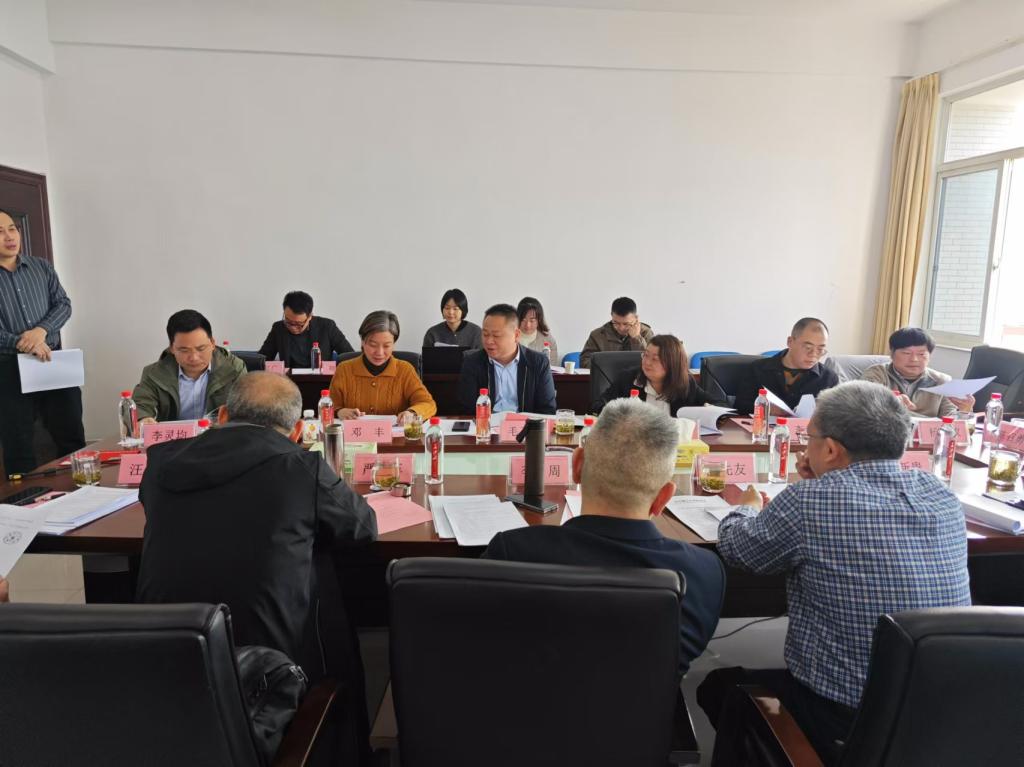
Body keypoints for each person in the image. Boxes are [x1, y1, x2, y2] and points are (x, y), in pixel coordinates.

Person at [698, 381, 971, 765]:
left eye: (809, 438)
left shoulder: (809, 501)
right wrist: (821, 482)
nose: (805, 447)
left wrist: (746, 506)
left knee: (718, 688)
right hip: (939, 713)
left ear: (829, 449)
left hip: (842, 720)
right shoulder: (939, 494)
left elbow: (739, 549)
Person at [137, 372, 378, 679]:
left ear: (223, 416)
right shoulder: (301, 467)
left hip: (162, 654)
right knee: (318, 563)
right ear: (297, 431)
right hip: (268, 670)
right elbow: (362, 526)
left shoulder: (161, 461)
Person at [483, 398, 724, 675]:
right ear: (663, 498)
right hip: (643, 705)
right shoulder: (704, 573)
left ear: (577, 466)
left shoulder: (512, 553)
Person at [0, 209, 85, 475]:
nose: (9, 237)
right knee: (18, 445)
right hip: (8, 368)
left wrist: (41, 331)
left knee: (71, 435)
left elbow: (63, 304)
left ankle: (81, 490)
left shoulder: (41, 267)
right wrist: (25, 342)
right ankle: (25, 498)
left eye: (12, 229)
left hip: (52, 360)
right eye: (0, 232)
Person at [133, 309, 246, 424]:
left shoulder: (234, 369)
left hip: (217, 433)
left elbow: (246, 408)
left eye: (201, 348)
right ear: (172, 348)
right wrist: (143, 418)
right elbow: (140, 405)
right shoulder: (154, 374)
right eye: (184, 350)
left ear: (212, 343)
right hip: (175, 435)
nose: (194, 358)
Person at [329, 310, 436, 423]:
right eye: (373, 345)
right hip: (355, 434)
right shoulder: (344, 369)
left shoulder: (405, 370)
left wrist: (412, 413)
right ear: (362, 342)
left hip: (394, 434)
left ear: (394, 344)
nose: (379, 353)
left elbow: (428, 404)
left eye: (386, 346)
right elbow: (328, 405)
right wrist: (339, 411)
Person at [458, 303, 557, 414]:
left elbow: (547, 410)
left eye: (496, 336)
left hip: (525, 424)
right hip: (487, 423)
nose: (489, 341)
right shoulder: (472, 362)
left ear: (516, 335)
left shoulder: (539, 363)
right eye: (485, 334)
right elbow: (467, 410)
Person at [732, 317, 839, 415]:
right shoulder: (757, 369)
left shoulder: (829, 378)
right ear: (790, 342)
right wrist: (765, 409)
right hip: (760, 428)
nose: (813, 354)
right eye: (807, 347)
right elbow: (740, 407)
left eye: (820, 349)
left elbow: (834, 417)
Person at [862, 326, 975, 417]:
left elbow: (950, 421)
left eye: (921, 354)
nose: (914, 359)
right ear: (892, 353)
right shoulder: (876, 373)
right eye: (906, 353)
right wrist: (889, 401)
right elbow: (864, 406)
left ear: (929, 356)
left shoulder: (942, 381)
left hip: (927, 436)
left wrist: (964, 411)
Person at [593, 334, 718, 415]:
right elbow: (597, 405)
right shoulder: (628, 379)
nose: (647, 362)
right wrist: (620, 413)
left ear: (672, 364)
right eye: (646, 355)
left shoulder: (686, 384)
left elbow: (719, 404)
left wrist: (709, 409)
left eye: (655, 359)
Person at [257, 290, 353, 369]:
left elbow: (350, 357)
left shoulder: (327, 326)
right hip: (288, 382)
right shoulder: (278, 328)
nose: (293, 327)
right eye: (288, 321)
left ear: (310, 316)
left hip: (321, 381)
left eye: (299, 324)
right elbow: (261, 359)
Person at [579, 296, 654, 369]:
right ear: (612, 315)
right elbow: (584, 361)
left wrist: (636, 338)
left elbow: (652, 362)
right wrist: (608, 366)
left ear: (636, 318)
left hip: (638, 376)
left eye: (626, 324)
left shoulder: (646, 333)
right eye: (616, 323)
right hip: (607, 376)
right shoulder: (597, 335)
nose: (621, 328)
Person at [516, 296, 558, 362]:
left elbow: (552, 365)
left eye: (532, 321)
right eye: (523, 320)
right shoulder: (510, 336)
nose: (528, 325)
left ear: (539, 320)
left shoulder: (547, 339)